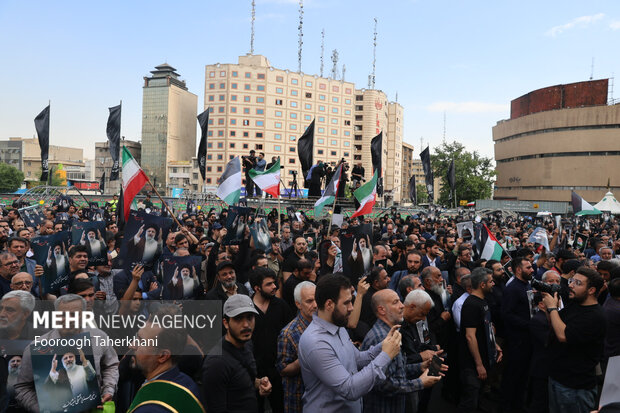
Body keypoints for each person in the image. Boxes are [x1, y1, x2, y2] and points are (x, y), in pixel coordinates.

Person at [298, 274, 402, 413]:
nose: (352, 308)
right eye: (346, 303)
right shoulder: (316, 343)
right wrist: (386, 355)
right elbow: (350, 389)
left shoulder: (339, 327)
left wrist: (384, 344)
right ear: (329, 304)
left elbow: (357, 359)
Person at [14, 294, 119, 411]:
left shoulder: (99, 337)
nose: (68, 319)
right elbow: (22, 387)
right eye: (62, 315)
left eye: (74, 315)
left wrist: (108, 390)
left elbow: (111, 365)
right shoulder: (36, 348)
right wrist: (41, 409)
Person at [361, 289, 441, 412]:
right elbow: (384, 384)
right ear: (382, 310)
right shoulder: (380, 338)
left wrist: (421, 366)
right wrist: (420, 382)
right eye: (395, 302)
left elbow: (396, 370)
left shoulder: (391, 333)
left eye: (400, 301)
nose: (402, 305)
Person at [541, 266, 606, 413]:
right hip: (558, 378)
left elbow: (563, 336)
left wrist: (552, 309)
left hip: (575, 387)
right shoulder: (574, 304)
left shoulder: (595, 316)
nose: (570, 285)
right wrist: (548, 311)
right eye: (571, 281)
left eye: (578, 283)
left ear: (591, 290)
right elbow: (556, 327)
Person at [202, 294, 272, 412]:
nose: (246, 325)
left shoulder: (247, 344)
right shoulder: (216, 364)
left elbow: (240, 381)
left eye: (250, 317)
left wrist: (259, 383)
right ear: (225, 323)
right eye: (238, 318)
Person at [127, 318, 204, 412]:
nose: (131, 345)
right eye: (136, 337)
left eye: (141, 342)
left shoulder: (151, 409)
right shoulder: (186, 383)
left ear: (163, 356)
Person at [458, 267, 502, 413]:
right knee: (470, 401)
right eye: (491, 282)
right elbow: (470, 336)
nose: (493, 284)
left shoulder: (483, 301)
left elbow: (486, 328)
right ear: (482, 285)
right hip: (472, 364)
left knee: (479, 398)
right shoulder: (471, 305)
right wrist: (479, 364)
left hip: (485, 357)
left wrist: (494, 344)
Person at [250, 267, 291, 413]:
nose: (274, 287)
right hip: (255, 372)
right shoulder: (247, 309)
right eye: (269, 284)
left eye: (274, 283)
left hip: (278, 370)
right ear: (257, 288)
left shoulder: (281, 306)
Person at [500, 256, 534, 412]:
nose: (532, 270)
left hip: (527, 339)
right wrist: (529, 324)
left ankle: (518, 405)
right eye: (528, 267)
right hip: (517, 341)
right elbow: (507, 314)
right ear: (518, 270)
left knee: (522, 377)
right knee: (513, 376)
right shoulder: (513, 288)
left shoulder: (526, 285)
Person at [277, 281, 316, 413]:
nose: (315, 305)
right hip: (300, 399)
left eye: (317, 299)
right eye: (309, 301)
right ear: (298, 304)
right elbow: (282, 369)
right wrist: (304, 359)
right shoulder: (289, 333)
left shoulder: (325, 324)